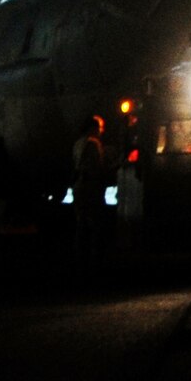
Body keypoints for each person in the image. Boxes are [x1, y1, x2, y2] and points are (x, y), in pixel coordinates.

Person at [71, 114, 110, 271]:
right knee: (94, 224)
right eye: (99, 127)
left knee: (81, 223)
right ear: (93, 128)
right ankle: (94, 261)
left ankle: (79, 258)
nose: (101, 131)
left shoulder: (78, 144)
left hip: (78, 186)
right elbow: (96, 168)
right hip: (90, 188)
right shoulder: (93, 144)